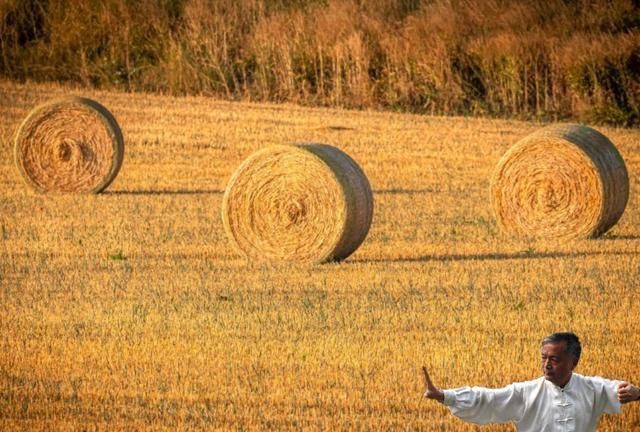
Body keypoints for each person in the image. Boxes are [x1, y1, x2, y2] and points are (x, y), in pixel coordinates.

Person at [423, 332, 640, 431]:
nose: (547, 364)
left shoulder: (593, 388)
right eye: (543, 358)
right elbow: (487, 398)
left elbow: (623, 389)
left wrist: (636, 392)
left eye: (554, 359)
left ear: (574, 362)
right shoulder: (525, 393)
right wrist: (444, 395)